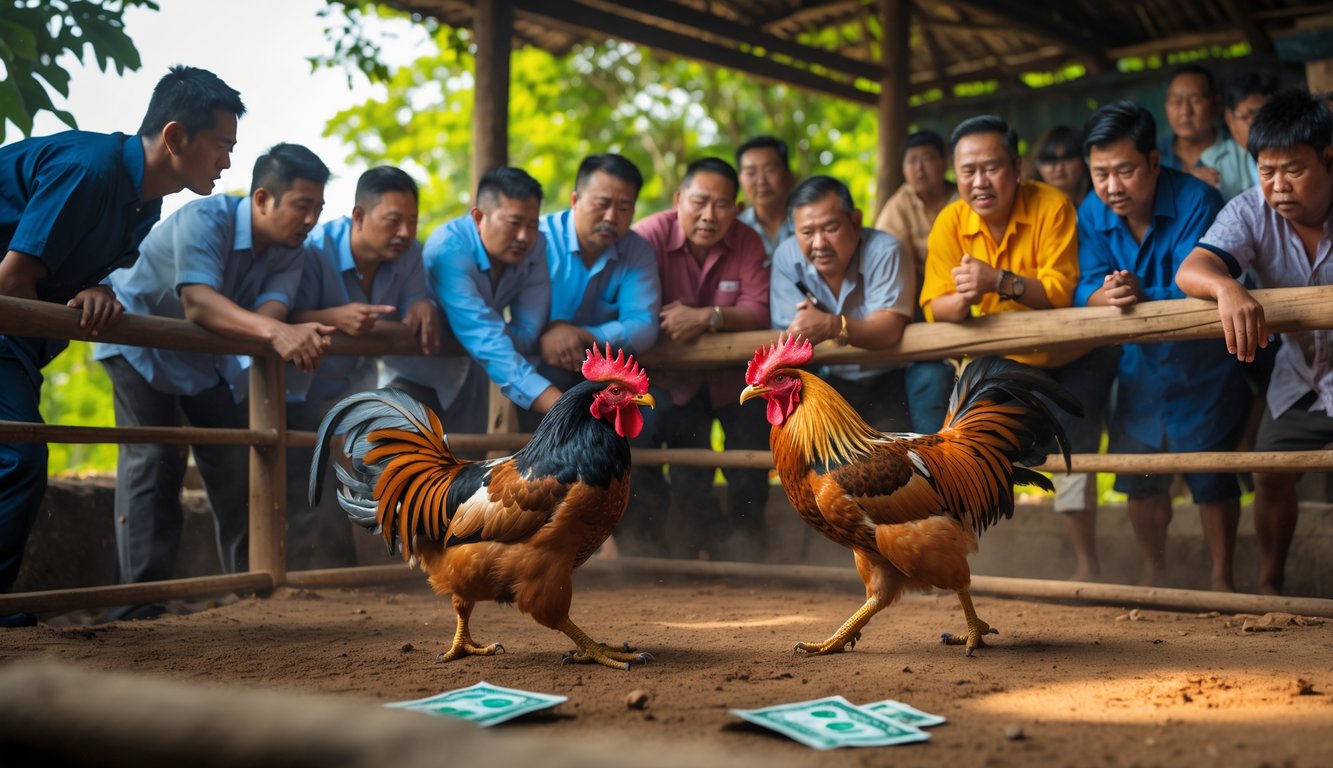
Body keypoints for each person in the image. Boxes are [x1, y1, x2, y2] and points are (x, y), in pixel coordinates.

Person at [0, 65, 244, 626]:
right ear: (176, 137)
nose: (227, 161)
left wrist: (96, 287)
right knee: (17, 455)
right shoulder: (89, 171)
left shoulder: (145, 202)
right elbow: (13, 281)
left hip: (18, 336)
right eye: (222, 146)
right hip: (7, 326)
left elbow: (62, 271)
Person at [95, 143, 334, 617]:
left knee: (236, 462)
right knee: (156, 460)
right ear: (263, 198)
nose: (311, 220)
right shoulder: (206, 218)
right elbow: (200, 303)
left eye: (319, 209)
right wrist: (276, 332)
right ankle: (138, 604)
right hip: (138, 346)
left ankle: (250, 592)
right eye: (303, 207)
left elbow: (272, 311)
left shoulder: (291, 250)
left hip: (203, 362)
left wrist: (277, 329)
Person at [920, 115, 1118, 583]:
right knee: (971, 454)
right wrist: (965, 299)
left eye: (991, 168)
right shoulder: (950, 220)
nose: (979, 181)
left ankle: (1086, 563)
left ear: (1017, 167)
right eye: (968, 170)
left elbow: (1062, 291)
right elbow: (933, 307)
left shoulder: (1052, 205)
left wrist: (998, 282)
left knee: (1078, 458)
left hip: (1071, 358)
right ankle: (965, 564)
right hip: (1000, 364)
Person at [1077, 101, 1248, 591]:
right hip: (1138, 371)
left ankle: (1222, 582)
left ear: (1155, 162)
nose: (1112, 187)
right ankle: (1155, 575)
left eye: (1125, 171)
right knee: (1138, 475)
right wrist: (1100, 296)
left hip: (1204, 368)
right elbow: (1082, 287)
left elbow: (1200, 279)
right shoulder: (1090, 211)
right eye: (1100, 173)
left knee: (1213, 475)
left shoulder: (1198, 199)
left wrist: (1140, 297)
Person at [1176, 88, 1333, 595]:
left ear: (1329, 160)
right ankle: (1271, 584)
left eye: (1294, 169)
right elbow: (1192, 269)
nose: (1278, 185)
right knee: (1269, 471)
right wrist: (1227, 286)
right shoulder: (1249, 210)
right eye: (1266, 171)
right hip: (1300, 375)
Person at [285, 166, 439, 570]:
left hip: (354, 394)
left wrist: (423, 302)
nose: (406, 232)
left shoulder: (411, 256)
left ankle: (343, 575)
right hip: (297, 390)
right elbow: (281, 314)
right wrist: (334, 315)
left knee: (349, 473)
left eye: (412, 221)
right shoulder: (313, 249)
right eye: (393, 220)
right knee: (301, 482)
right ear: (358, 216)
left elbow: (414, 312)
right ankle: (301, 582)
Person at [630, 157, 771, 561]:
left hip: (735, 380)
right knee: (652, 459)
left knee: (750, 464)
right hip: (666, 380)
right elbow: (634, 311)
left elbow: (760, 311)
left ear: (737, 209)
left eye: (723, 204)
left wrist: (708, 316)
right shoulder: (647, 237)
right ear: (678, 200)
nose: (710, 215)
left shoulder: (747, 241)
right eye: (699, 201)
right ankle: (651, 558)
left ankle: (749, 556)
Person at [382, 166, 557, 440]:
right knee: (401, 470)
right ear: (478, 217)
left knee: (465, 465)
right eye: (513, 223)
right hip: (416, 375)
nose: (524, 236)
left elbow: (526, 333)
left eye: (532, 225)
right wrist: (565, 409)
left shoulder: (536, 245)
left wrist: (493, 333)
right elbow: (485, 336)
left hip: (476, 376)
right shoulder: (448, 250)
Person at [519, 153, 660, 432]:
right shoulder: (538, 239)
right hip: (540, 371)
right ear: (574, 200)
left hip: (608, 378)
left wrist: (582, 335)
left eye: (624, 208)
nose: (611, 217)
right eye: (602, 203)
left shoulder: (638, 251)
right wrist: (549, 331)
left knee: (649, 419)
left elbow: (644, 326)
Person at [770, 175, 915, 430]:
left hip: (892, 375)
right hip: (828, 381)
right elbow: (790, 333)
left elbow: (889, 328)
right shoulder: (786, 257)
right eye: (806, 232)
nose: (819, 243)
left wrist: (832, 326)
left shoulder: (885, 251)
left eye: (830, 228)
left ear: (856, 221)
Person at [873, 129, 958, 433]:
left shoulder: (964, 194)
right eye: (911, 161)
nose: (919, 168)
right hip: (922, 307)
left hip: (970, 297)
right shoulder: (900, 203)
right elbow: (885, 257)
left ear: (945, 162)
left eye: (927, 158)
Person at [1201, 70, 1280, 202]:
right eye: (1248, 116)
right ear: (1230, 118)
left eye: (1266, 114)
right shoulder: (1214, 162)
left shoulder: (1292, 150)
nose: (1259, 123)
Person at [1158, 64, 1228, 190]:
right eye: (1176, 101)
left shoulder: (1238, 150)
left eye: (1196, 100)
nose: (1185, 111)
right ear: (1166, 106)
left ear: (1216, 107)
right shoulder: (1154, 154)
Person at [735, 135, 795, 258]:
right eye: (751, 173)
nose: (761, 181)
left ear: (789, 176)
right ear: (740, 179)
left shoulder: (809, 223)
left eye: (770, 170)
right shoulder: (733, 230)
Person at [1029, 125, 1091, 206]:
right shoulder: (1031, 204)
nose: (1059, 168)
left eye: (1067, 158)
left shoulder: (1099, 200)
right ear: (1038, 165)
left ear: (1083, 160)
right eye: (1050, 160)